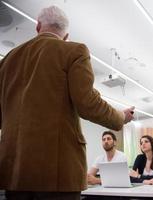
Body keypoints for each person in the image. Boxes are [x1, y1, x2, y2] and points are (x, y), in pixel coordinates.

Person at [0, 5, 134, 199]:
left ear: (38, 26)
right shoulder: (74, 50)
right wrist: (120, 117)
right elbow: (87, 102)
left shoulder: (7, 60)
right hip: (57, 172)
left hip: (14, 172)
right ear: (65, 35)